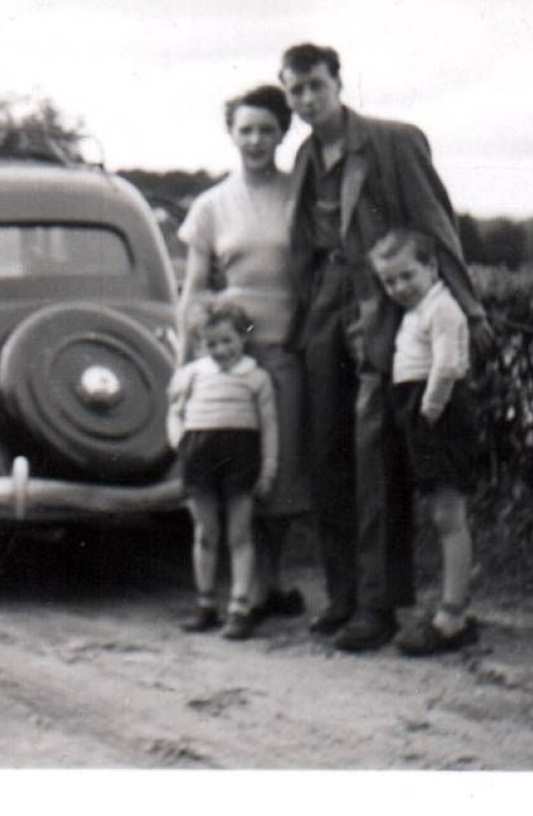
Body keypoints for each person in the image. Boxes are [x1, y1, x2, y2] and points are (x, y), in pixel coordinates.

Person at [279, 41, 491, 653]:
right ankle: (342, 594)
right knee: (326, 452)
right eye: (295, 90)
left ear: (339, 83)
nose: (307, 99)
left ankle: (377, 605)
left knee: (374, 455)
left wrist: (468, 306)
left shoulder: (394, 141)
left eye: (315, 85)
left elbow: (436, 225)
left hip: (379, 311)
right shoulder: (304, 158)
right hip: (323, 308)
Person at [176, 85, 310, 621]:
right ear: (232, 134)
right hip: (232, 353)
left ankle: (269, 582)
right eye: (246, 129)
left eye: (267, 130)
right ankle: (244, 590)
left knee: (279, 474)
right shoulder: (210, 205)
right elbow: (193, 287)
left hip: (285, 348)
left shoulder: (298, 195)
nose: (256, 140)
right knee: (234, 466)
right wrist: (185, 360)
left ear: (283, 133)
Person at [368, 229, 480, 655]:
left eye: (406, 275)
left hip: (438, 414)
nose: (398, 287)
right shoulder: (417, 311)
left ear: (431, 268)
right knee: (440, 513)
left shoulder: (442, 309)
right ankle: (451, 608)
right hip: (418, 409)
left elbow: (448, 366)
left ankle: (452, 618)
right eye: (389, 281)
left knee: (449, 513)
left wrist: (428, 413)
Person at [166, 301, 279, 641]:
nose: (221, 350)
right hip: (199, 454)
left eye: (228, 341)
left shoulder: (256, 377)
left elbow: (269, 425)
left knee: (240, 534)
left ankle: (240, 607)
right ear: (201, 344)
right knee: (205, 531)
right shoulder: (192, 374)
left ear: (242, 339)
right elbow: (174, 411)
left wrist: (269, 468)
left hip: (241, 458)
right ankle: (205, 604)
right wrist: (180, 443)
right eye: (212, 343)